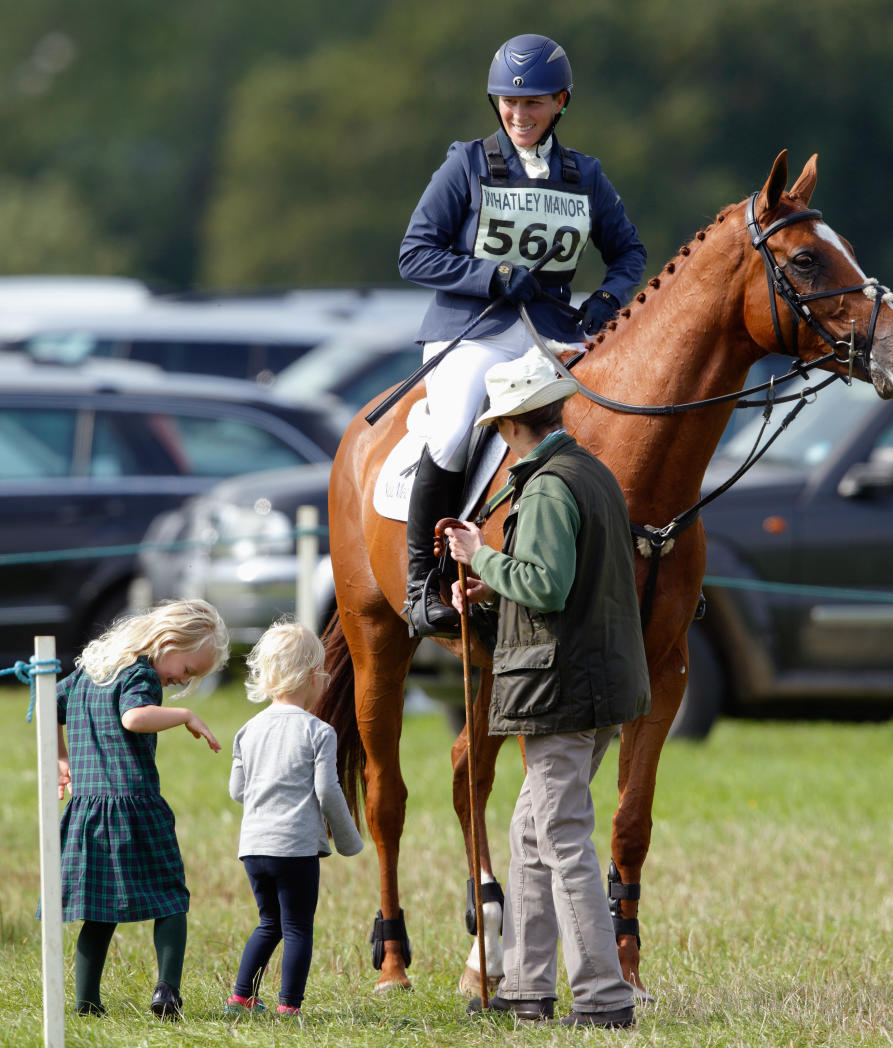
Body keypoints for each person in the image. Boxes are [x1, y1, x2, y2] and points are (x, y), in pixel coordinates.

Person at [398, 32, 646, 638]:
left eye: (533, 103)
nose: (518, 115)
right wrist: (492, 275)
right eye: (508, 103)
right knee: (455, 430)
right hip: (472, 331)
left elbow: (629, 252)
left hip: (550, 337)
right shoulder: (466, 164)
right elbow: (415, 254)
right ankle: (420, 584)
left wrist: (608, 300)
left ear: (561, 101)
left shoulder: (583, 174)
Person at [444, 349, 650, 1029]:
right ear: (554, 409)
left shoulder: (547, 486)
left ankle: (602, 1000)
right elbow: (561, 580)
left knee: (559, 838)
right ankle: (528, 990)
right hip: (598, 679)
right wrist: (491, 582)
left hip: (561, 686)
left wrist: (483, 557)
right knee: (529, 833)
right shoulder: (590, 472)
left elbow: (546, 585)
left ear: (508, 426)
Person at [54, 599, 230, 1019]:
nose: (180, 681)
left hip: (87, 813)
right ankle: (167, 991)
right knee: (170, 899)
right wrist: (184, 713)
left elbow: (46, 703)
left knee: (97, 911)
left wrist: (59, 756)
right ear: (169, 641)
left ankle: (86, 1005)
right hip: (134, 806)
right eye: (187, 670)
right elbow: (134, 717)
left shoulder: (90, 672)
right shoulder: (140, 672)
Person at [226, 620, 363, 1018]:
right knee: (298, 927)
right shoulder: (319, 732)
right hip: (295, 847)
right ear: (310, 677)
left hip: (254, 848)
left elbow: (238, 791)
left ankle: (242, 997)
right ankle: (290, 1007)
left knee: (268, 922)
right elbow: (327, 790)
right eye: (323, 672)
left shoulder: (247, 730)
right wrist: (348, 839)